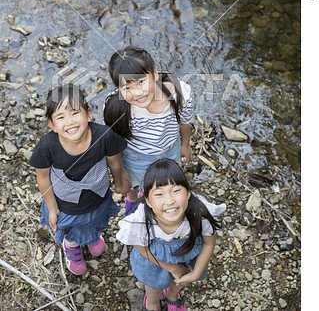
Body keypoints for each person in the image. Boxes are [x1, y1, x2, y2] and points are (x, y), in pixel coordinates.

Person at [29, 83, 131, 275]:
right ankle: (72, 246)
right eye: (60, 117)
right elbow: (42, 177)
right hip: (66, 204)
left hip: (97, 196)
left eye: (75, 112)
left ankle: (93, 236)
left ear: (89, 114)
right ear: (52, 125)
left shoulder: (103, 136)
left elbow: (115, 162)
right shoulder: (47, 146)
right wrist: (52, 208)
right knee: (71, 229)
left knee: (96, 219)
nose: (70, 122)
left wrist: (119, 183)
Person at [116, 158, 226, 311]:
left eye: (176, 191)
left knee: (181, 281)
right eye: (159, 194)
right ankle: (152, 302)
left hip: (188, 256)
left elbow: (209, 243)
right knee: (153, 287)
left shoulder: (200, 212)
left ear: (188, 193)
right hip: (155, 261)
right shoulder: (142, 220)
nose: (169, 201)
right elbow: (143, 250)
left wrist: (195, 274)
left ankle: (172, 296)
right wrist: (173, 268)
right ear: (148, 201)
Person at [103, 46, 194, 215]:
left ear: (155, 73)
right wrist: (121, 174)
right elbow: (113, 143)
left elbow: (185, 121)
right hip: (136, 155)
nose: (137, 92)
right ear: (119, 89)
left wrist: (185, 145)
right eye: (127, 88)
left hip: (170, 149)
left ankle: (163, 210)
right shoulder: (117, 107)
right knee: (135, 184)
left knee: (167, 182)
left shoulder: (180, 94)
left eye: (141, 81)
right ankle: (132, 200)